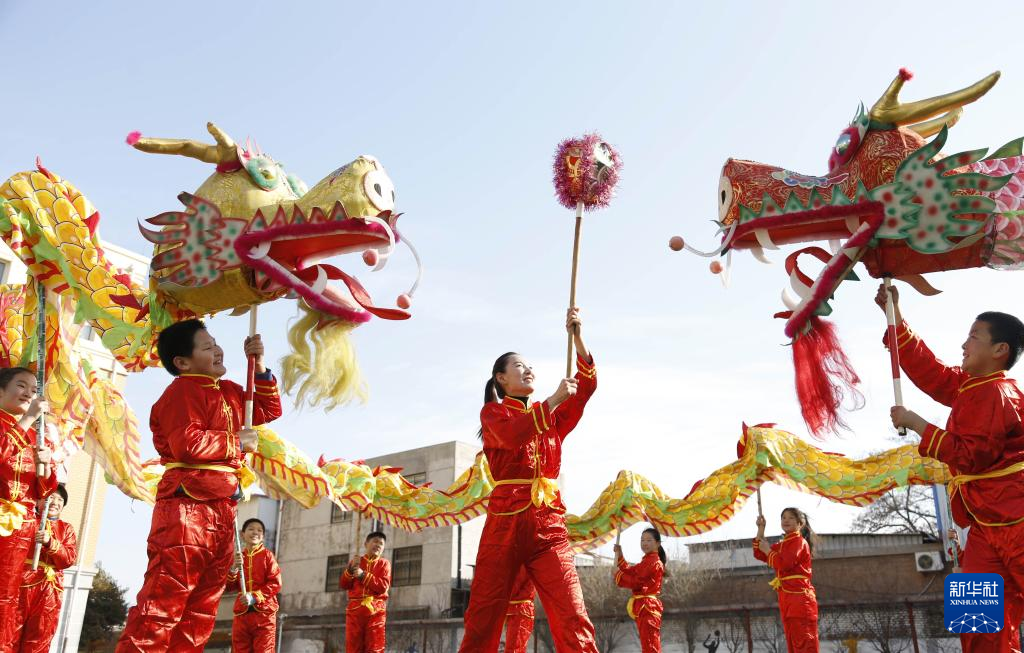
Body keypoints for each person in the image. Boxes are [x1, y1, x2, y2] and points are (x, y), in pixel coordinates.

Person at [116, 319, 282, 652]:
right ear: (182, 362)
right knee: (164, 602)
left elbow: (268, 409)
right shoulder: (181, 392)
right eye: (207, 347)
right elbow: (187, 444)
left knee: (201, 612)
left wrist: (260, 365)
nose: (218, 350)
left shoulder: (230, 391)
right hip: (187, 508)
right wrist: (236, 442)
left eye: (215, 343)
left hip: (223, 508)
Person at [878, 284, 1024, 653]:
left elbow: (971, 456)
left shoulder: (998, 393)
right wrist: (895, 316)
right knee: (975, 622)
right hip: (985, 523)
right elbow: (933, 374)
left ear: (1000, 350)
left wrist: (918, 424)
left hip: (1016, 519)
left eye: (974, 336)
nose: (964, 344)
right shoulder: (971, 387)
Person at [458, 308, 600, 653]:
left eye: (530, 365)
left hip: (549, 526)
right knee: (484, 616)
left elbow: (586, 388)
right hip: (504, 526)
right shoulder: (494, 414)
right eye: (519, 366)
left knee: (573, 613)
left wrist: (578, 337)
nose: (529, 369)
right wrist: (552, 401)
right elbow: (513, 435)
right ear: (501, 379)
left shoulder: (552, 418)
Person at [0, 367, 55, 649]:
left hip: (21, 530)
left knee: (9, 599)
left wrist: (46, 466)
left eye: (34, 390)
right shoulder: (17, 426)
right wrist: (28, 419)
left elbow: (45, 494)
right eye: (21, 386)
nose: (29, 394)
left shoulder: (37, 436)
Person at [13, 484, 75, 653]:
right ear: (39, 501)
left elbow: (69, 559)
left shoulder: (66, 529)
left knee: (40, 637)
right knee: (11, 631)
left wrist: (50, 543)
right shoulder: (26, 521)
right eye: (50, 497)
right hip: (22, 584)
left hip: (50, 589)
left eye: (60, 499)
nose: (55, 502)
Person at [753, 508, 819, 653]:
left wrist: (768, 551)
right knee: (793, 643)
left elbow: (785, 564)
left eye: (791, 518)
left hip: (800, 598)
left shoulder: (799, 542)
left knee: (803, 642)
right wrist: (761, 529)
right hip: (787, 597)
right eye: (783, 517)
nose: (786, 520)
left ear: (800, 523)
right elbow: (759, 553)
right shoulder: (782, 544)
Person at [227, 518, 281, 653]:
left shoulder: (267, 556)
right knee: (240, 649)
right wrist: (234, 568)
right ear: (242, 534)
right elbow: (229, 587)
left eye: (259, 530)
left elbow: (275, 583)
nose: (255, 532)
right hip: (242, 614)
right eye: (251, 529)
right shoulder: (239, 558)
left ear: (263, 536)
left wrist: (254, 597)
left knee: (264, 650)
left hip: (264, 614)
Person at [614, 527, 666, 653]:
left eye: (648, 540)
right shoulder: (647, 560)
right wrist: (620, 555)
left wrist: (618, 575)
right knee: (648, 644)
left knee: (650, 645)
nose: (644, 543)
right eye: (642, 540)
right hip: (645, 606)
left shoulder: (653, 562)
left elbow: (637, 582)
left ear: (658, 543)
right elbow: (631, 571)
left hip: (648, 607)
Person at [341, 531, 391, 653]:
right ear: (366, 544)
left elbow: (383, 586)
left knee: (375, 647)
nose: (378, 545)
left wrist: (363, 575)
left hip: (376, 611)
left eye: (381, 544)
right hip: (355, 611)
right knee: (353, 647)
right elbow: (344, 584)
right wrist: (350, 570)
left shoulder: (384, 564)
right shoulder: (356, 561)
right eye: (375, 541)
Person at [503, 570, 535, 653]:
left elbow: (514, 586)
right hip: (520, 609)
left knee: (514, 648)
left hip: (519, 610)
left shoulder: (523, 565)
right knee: (517, 648)